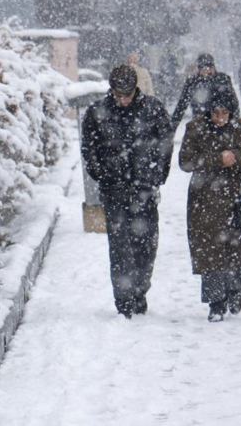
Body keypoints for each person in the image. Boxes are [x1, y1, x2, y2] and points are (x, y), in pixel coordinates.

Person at [81, 64, 173, 318]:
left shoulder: (152, 109)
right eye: (118, 95)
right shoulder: (97, 112)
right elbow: (89, 147)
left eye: (127, 95)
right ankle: (124, 299)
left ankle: (140, 290)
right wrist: (101, 173)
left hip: (144, 188)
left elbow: (166, 143)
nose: (122, 101)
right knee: (120, 247)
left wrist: (157, 175)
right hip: (114, 190)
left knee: (146, 245)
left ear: (135, 89)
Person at [179, 87, 241, 322]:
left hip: (236, 199)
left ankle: (234, 290)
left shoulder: (240, 127)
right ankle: (216, 303)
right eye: (215, 112)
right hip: (204, 200)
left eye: (224, 112)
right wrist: (217, 159)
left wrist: (235, 155)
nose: (220, 117)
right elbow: (185, 162)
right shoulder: (196, 128)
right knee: (210, 254)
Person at [170, 53, 239, 133]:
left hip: (221, 122)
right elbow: (181, 106)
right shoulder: (192, 83)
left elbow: (233, 103)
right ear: (199, 69)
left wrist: (234, 121)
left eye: (210, 67)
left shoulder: (222, 80)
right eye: (204, 68)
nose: (208, 71)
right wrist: (172, 128)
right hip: (200, 124)